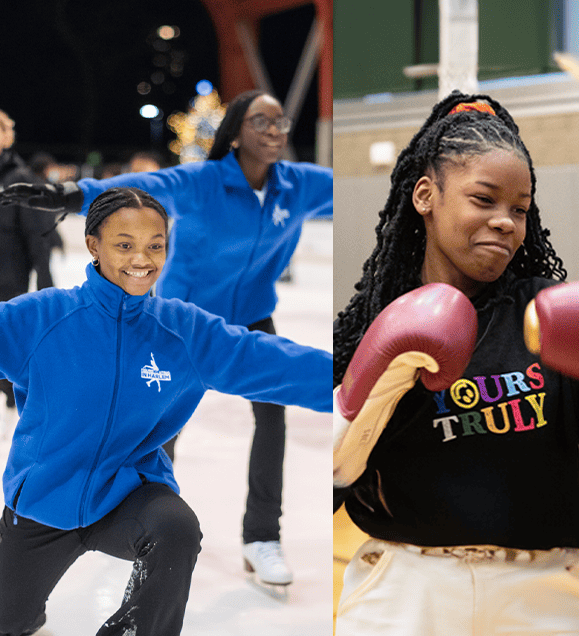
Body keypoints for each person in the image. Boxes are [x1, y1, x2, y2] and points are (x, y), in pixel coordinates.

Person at [331, 91, 579, 636]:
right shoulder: (371, 322)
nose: (505, 222)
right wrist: (375, 381)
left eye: (519, 208)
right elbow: (329, 484)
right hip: (405, 601)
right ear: (425, 196)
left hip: (548, 605)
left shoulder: (554, 319)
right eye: (483, 200)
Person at [0, 188, 333, 636]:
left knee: (176, 529)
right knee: (9, 622)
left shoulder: (181, 331)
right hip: (46, 500)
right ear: (93, 245)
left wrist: (358, 376)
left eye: (156, 246)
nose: (142, 259)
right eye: (124, 244)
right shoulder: (42, 319)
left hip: (127, 494)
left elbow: (271, 361)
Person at [8, 90, 334, 585]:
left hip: (251, 316)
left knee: (273, 417)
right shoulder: (204, 181)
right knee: (158, 422)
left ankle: (262, 534)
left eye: (281, 121)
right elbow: (144, 187)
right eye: (261, 121)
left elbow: (355, 186)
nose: (275, 130)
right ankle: (135, 517)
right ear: (236, 131)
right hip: (185, 322)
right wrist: (72, 195)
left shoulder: (298, 185)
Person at [0, 109, 58, 420]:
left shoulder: (19, 180)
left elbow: (37, 234)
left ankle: (14, 403)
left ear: (6, 137)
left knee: (9, 350)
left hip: (8, 283)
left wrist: (45, 281)